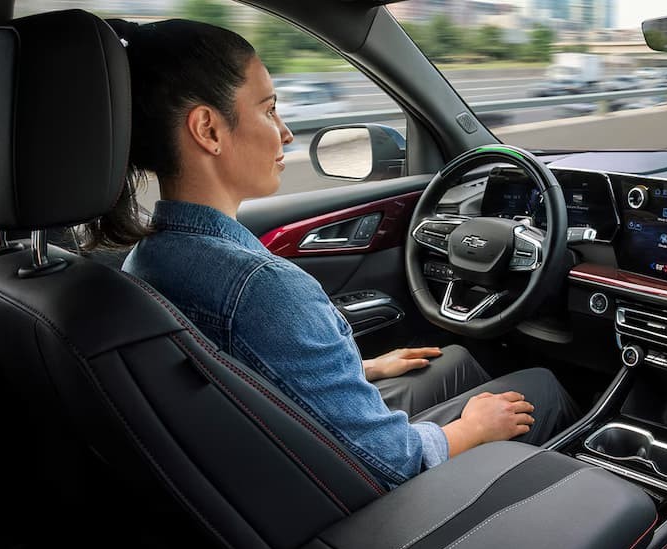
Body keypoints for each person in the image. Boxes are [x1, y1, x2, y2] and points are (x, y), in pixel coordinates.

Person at [88, 18, 580, 489]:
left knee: (452, 362)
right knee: (541, 386)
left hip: (270, 464)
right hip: (359, 496)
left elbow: (234, 382)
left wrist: (356, 370)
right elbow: (392, 463)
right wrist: (473, 429)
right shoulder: (262, 287)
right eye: (268, 109)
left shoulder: (148, 258)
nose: (284, 133)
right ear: (208, 130)